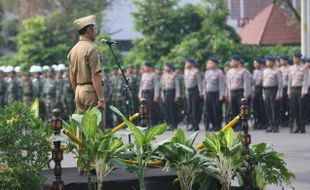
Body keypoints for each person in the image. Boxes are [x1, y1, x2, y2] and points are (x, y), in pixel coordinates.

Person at [67, 15, 105, 123]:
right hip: (91, 92)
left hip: (79, 91)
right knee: (95, 129)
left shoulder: (73, 50)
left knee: (82, 129)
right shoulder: (92, 48)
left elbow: (72, 76)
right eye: (95, 29)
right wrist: (100, 99)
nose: (96, 32)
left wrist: (76, 93)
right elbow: (95, 75)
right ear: (89, 30)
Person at [225, 55, 252, 130]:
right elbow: (228, 84)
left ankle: (241, 125)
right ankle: (235, 125)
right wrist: (228, 94)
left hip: (240, 92)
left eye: (233, 61)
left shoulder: (243, 71)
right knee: (233, 110)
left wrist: (246, 95)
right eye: (231, 61)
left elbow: (246, 84)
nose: (231, 62)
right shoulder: (230, 71)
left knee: (241, 110)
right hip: (232, 92)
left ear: (237, 62)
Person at [288, 52, 308, 133]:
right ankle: (297, 126)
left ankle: (302, 127)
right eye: (294, 58)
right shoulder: (291, 68)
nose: (295, 59)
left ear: (299, 58)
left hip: (300, 90)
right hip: (293, 90)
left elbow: (305, 80)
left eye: (296, 58)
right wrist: (289, 91)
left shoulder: (304, 68)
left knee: (301, 109)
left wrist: (304, 91)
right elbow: (289, 81)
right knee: (295, 109)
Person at [203, 57, 225, 131]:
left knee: (217, 110)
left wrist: (221, 95)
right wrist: (204, 93)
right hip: (209, 94)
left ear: (215, 64)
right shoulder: (206, 72)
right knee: (209, 110)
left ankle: (218, 125)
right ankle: (213, 124)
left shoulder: (219, 72)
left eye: (210, 63)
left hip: (216, 94)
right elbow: (205, 84)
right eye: (208, 63)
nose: (209, 64)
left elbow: (221, 84)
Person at [263, 55, 283, 133]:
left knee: (274, 109)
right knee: (268, 109)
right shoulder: (265, 71)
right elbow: (263, 83)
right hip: (266, 91)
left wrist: (279, 94)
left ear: (272, 62)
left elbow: (280, 83)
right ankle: (270, 125)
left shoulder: (277, 71)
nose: (267, 63)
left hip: (273, 90)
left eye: (269, 61)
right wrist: (263, 94)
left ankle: (275, 126)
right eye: (267, 61)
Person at [184, 58, 203, 131]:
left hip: (195, 91)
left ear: (191, 63)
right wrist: (186, 92)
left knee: (195, 108)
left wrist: (201, 93)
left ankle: (196, 125)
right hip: (189, 91)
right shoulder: (185, 71)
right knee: (190, 109)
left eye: (187, 62)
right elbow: (186, 83)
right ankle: (192, 124)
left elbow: (199, 83)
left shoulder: (196, 71)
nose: (186, 64)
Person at [138, 61, 160, 126]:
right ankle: (145, 123)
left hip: (150, 93)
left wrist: (156, 96)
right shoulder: (143, 75)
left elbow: (156, 86)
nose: (144, 68)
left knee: (151, 109)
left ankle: (152, 123)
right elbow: (141, 85)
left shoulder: (153, 75)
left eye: (145, 66)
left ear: (149, 67)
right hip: (143, 93)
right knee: (143, 109)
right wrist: (140, 95)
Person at [161, 62, 180, 130]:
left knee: (173, 109)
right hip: (166, 92)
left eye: (166, 66)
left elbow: (177, 86)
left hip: (172, 92)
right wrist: (162, 95)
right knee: (167, 109)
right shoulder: (164, 75)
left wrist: (177, 96)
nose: (164, 68)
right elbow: (163, 86)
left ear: (170, 67)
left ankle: (174, 124)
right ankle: (169, 124)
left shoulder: (174, 75)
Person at [252, 58, 267, 129]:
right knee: (256, 107)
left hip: (261, 89)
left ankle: (263, 122)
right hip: (256, 89)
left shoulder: (264, 71)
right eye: (254, 63)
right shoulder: (254, 71)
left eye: (256, 63)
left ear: (260, 64)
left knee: (262, 107)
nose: (254, 64)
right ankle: (257, 122)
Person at [279, 55, 291, 127]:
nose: (281, 62)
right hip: (281, 89)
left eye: (282, 60)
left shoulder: (290, 68)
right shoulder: (279, 69)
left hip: (287, 89)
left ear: (286, 61)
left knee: (288, 106)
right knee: (281, 106)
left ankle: (288, 120)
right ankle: (283, 120)